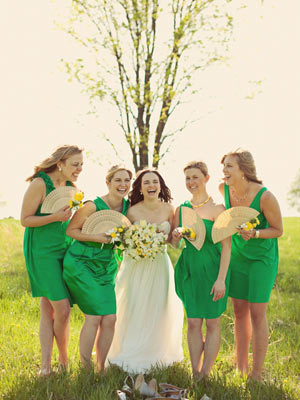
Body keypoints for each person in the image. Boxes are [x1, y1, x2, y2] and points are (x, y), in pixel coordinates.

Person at [108, 169, 184, 373]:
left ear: (160, 186)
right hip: (136, 265)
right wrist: (138, 243)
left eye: (155, 182)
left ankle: (156, 352)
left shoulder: (170, 209)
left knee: (159, 307)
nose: (152, 185)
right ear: (140, 188)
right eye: (147, 182)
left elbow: (174, 243)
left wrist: (176, 236)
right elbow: (122, 241)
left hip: (159, 264)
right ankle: (131, 348)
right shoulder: (132, 212)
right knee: (133, 305)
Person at [220, 149, 283, 380]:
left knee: (257, 313)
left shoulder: (265, 197)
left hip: (261, 259)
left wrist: (255, 233)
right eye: (224, 166)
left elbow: (278, 230)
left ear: (243, 170)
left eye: (229, 166)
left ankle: (256, 373)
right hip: (237, 257)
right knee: (239, 312)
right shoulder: (224, 189)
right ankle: (241, 366)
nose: (224, 171)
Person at [21, 144, 83, 376]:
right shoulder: (39, 184)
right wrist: (55, 216)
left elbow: (71, 221)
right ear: (61, 164)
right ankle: (64, 361)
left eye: (81, 165)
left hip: (64, 250)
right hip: (41, 252)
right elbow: (25, 220)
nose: (79, 169)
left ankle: (47, 367)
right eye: (75, 165)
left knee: (49, 310)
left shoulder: (71, 187)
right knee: (63, 308)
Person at [63, 165, 132, 371]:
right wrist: (97, 237)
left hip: (106, 265)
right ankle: (85, 369)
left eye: (126, 181)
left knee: (110, 318)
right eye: (118, 180)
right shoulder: (93, 205)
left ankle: (101, 367)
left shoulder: (128, 208)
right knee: (93, 317)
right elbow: (71, 230)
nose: (123, 185)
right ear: (108, 183)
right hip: (81, 261)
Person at [171, 161, 231, 380]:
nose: (191, 182)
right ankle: (195, 373)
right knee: (193, 322)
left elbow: (227, 247)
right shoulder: (182, 209)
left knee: (213, 322)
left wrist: (221, 279)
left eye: (195, 177)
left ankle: (206, 373)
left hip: (214, 271)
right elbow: (175, 244)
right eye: (187, 178)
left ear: (206, 178)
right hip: (189, 270)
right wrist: (176, 237)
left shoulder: (218, 209)